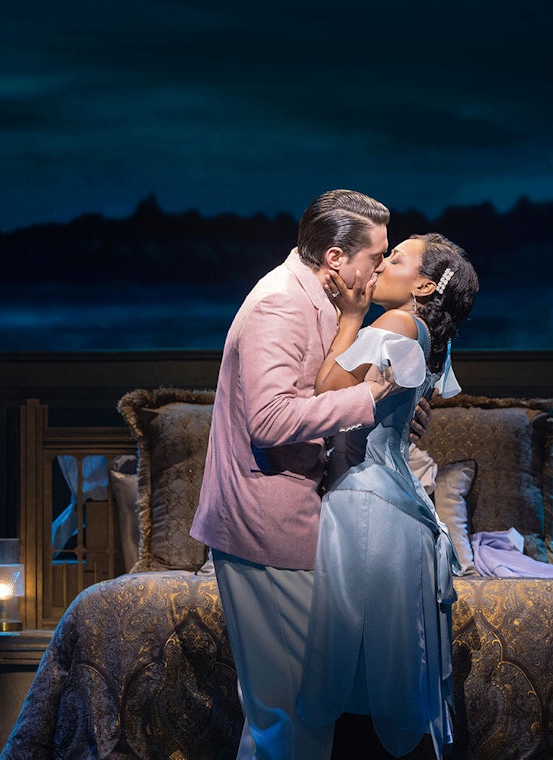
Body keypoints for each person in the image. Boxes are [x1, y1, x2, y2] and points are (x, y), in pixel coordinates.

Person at [190, 189, 407, 760]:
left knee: (296, 711)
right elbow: (270, 418)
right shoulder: (280, 303)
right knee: (288, 712)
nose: (380, 267)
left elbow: (312, 397)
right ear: (336, 258)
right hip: (264, 524)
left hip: (292, 524)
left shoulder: (321, 300)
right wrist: (366, 399)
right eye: (375, 255)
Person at [297, 233, 479, 758]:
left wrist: (351, 316)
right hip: (392, 500)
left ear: (422, 284)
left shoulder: (397, 322)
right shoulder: (419, 331)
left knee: (354, 667)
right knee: (385, 669)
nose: (379, 266)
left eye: (394, 259)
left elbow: (326, 394)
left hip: (366, 504)